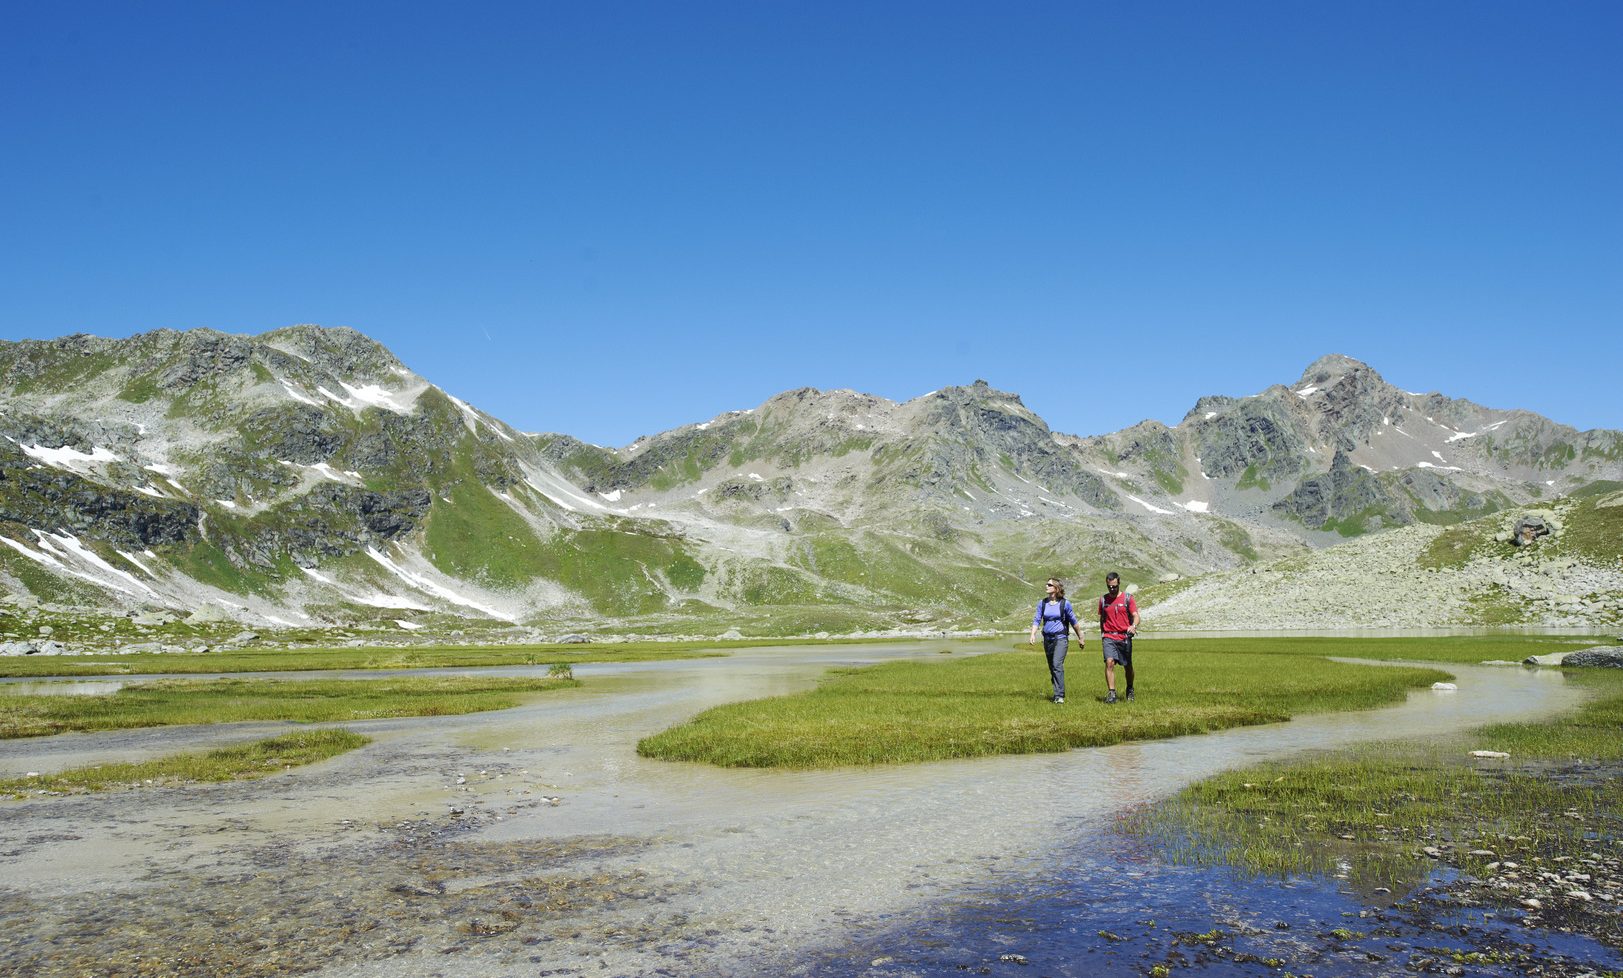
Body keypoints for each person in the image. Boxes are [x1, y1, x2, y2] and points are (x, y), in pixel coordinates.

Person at [1029, 577, 1085, 704]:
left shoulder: (1065, 604)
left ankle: (1059, 695)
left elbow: (1074, 622)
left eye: (1049, 584)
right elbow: (1037, 620)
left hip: (1061, 638)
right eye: (1046, 584)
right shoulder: (1042, 603)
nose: (1046, 586)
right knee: (1052, 667)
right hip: (1047, 639)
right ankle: (1056, 693)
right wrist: (1033, 634)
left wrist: (1080, 637)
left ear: (1056, 588)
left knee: (1056, 664)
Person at [1097, 572, 1139, 704]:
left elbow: (1136, 615)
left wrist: (1133, 626)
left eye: (1114, 586)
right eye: (1109, 586)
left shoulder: (1128, 598)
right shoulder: (1103, 600)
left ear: (1119, 583)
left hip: (1124, 637)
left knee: (1128, 666)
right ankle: (1112, 693)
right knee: (1109, 662)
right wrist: (1103, 634)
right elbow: (1102, 618)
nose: (1112, 589)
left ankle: (1130, 688)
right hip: (1109, 636)